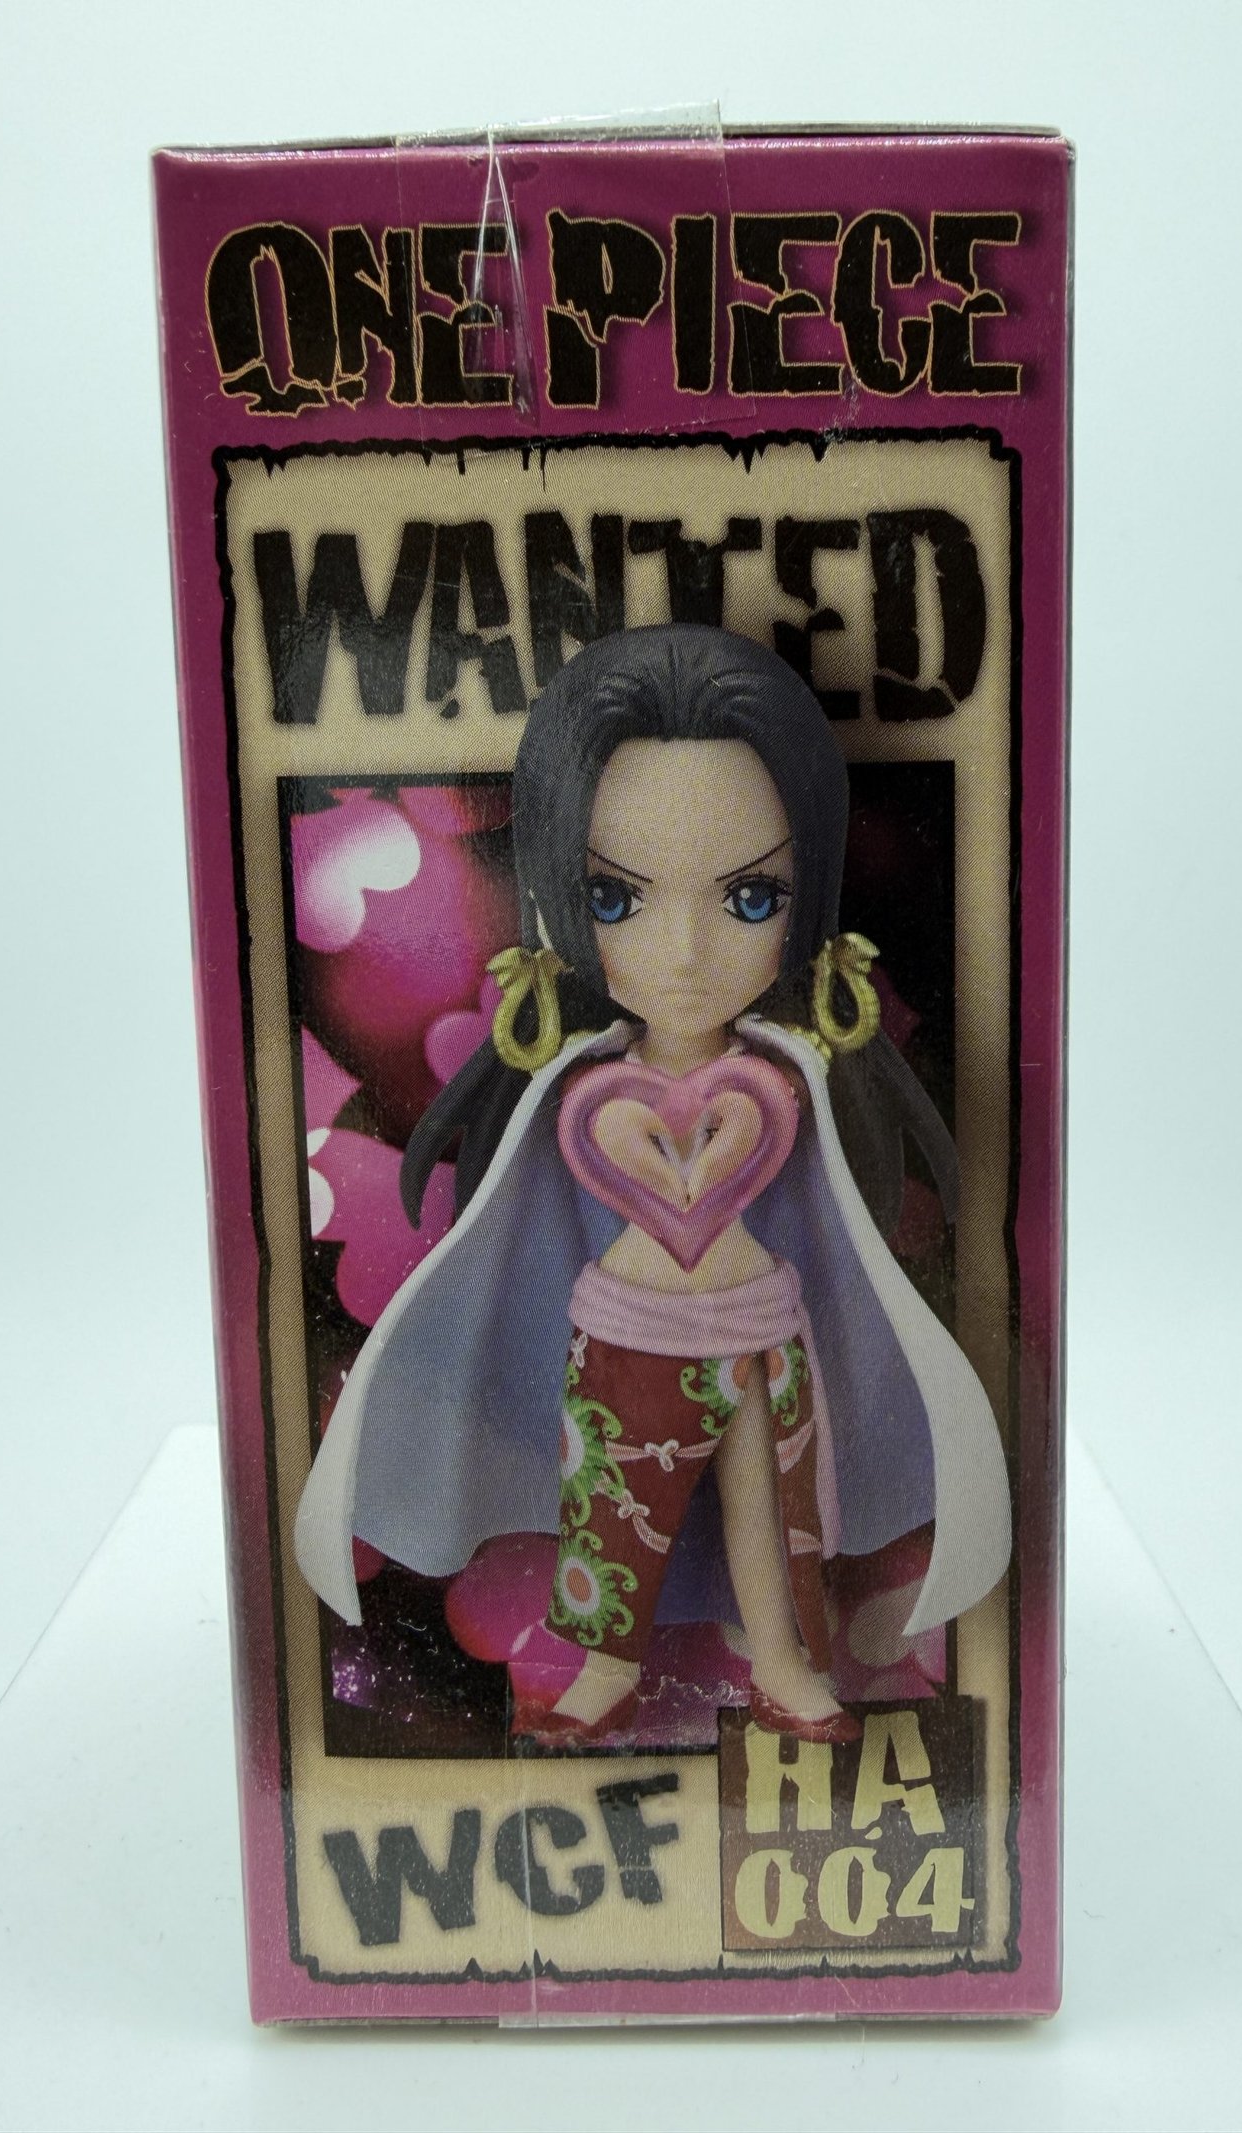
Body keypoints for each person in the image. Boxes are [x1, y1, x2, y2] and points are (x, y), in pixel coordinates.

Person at [294, 623, 1010, 1745]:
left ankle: (785, 1660)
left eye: (751, 897)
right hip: (625, 1327)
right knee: (611, 1523)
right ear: (555, 893)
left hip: (761, 1328)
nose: (682, 954)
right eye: (617, 897)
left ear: (809, 893)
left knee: (773, 1517)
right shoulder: (586, 1094)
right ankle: (600, 1670)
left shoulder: (779, 1087)